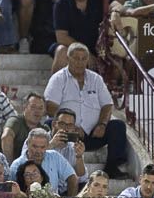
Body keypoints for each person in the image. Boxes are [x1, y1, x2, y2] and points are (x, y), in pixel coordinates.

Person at [42, 44, 127, 178]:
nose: (80, 62)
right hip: (67, 135)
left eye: (83, 59)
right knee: (49, 123)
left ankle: (112, 167)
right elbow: (50, 106)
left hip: (94, 134)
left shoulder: (96, 79)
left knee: (118, 126)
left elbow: (107, 105)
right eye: (76, 58)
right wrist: (71, 127)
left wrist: (102, 124)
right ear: (68, 58)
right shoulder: (58, 78)